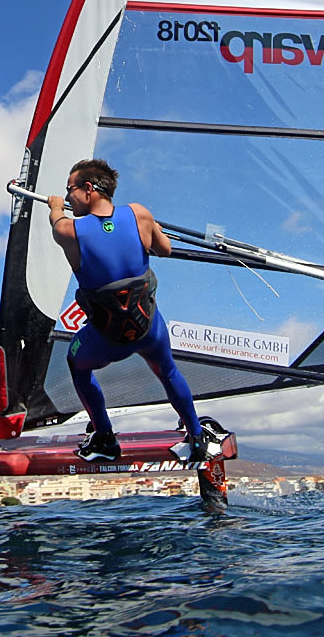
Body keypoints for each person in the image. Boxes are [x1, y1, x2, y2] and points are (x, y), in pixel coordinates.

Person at [47, 158, 212, 463]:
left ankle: (105, 437)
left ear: (88, 189)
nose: (67, 197)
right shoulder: (139, 214)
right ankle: (196, 435)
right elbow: (165, 250)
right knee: (168, 371)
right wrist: (154, 228)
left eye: (69, 190)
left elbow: (56, 221)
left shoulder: (70, 230)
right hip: (150, 331)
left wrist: (54, 206)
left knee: (76, 363)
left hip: (107, 339)